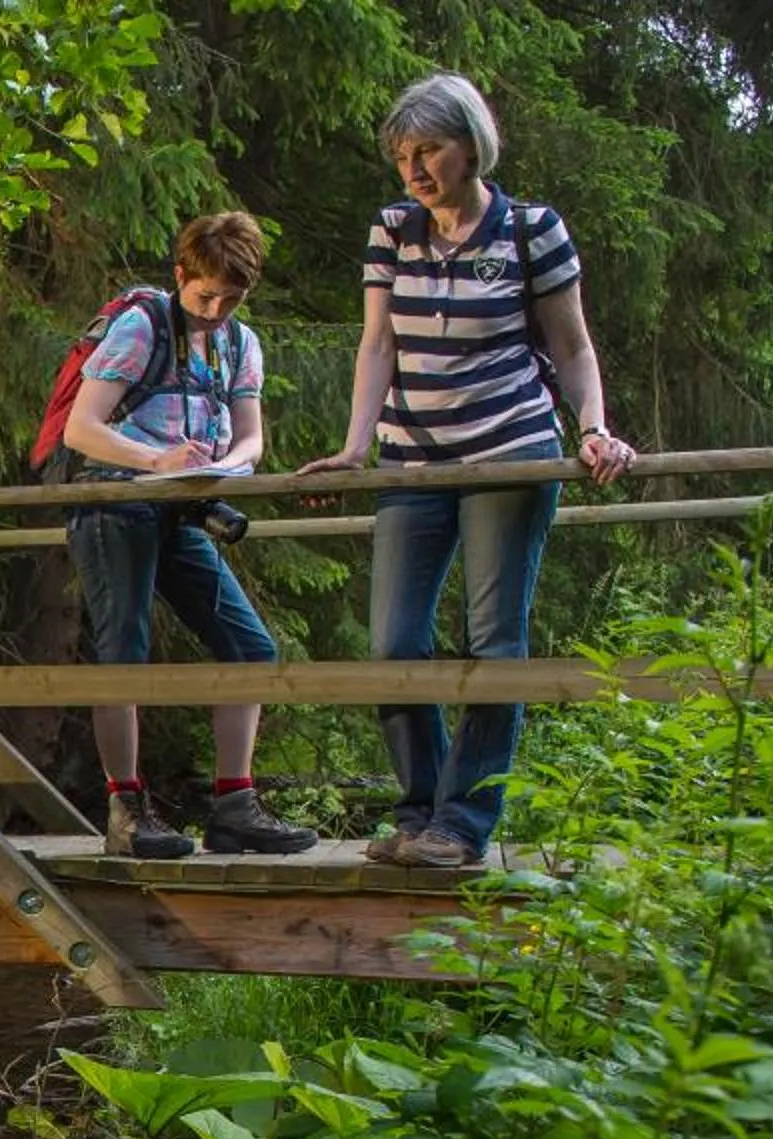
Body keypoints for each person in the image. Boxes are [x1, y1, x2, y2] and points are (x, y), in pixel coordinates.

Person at [297, 72, 636, 867]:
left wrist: (593, 428)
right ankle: (417, 814)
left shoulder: (532, 229)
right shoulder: (392, 231)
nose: (415, 169)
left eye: (431, 150)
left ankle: (463, 824)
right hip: (410, 458)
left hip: (511, 448)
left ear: (471, 147)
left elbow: (572, 346)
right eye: (402, 154)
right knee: (394, 644)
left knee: (493, 640)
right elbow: (378, 343)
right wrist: (355, 446)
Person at [63, 212, 317, 859]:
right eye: (206, 296)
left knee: (250, 647)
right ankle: (127, 809)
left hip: (183, 507)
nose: (216, 311)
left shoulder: (239, 343)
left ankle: (235, 805)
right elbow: (81, 427)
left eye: (232, 299)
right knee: (123, 652)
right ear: (182, 276)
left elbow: (252, 436)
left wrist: (228, 467)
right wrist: (156, 460)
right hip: (115, 499)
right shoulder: (142, 326)